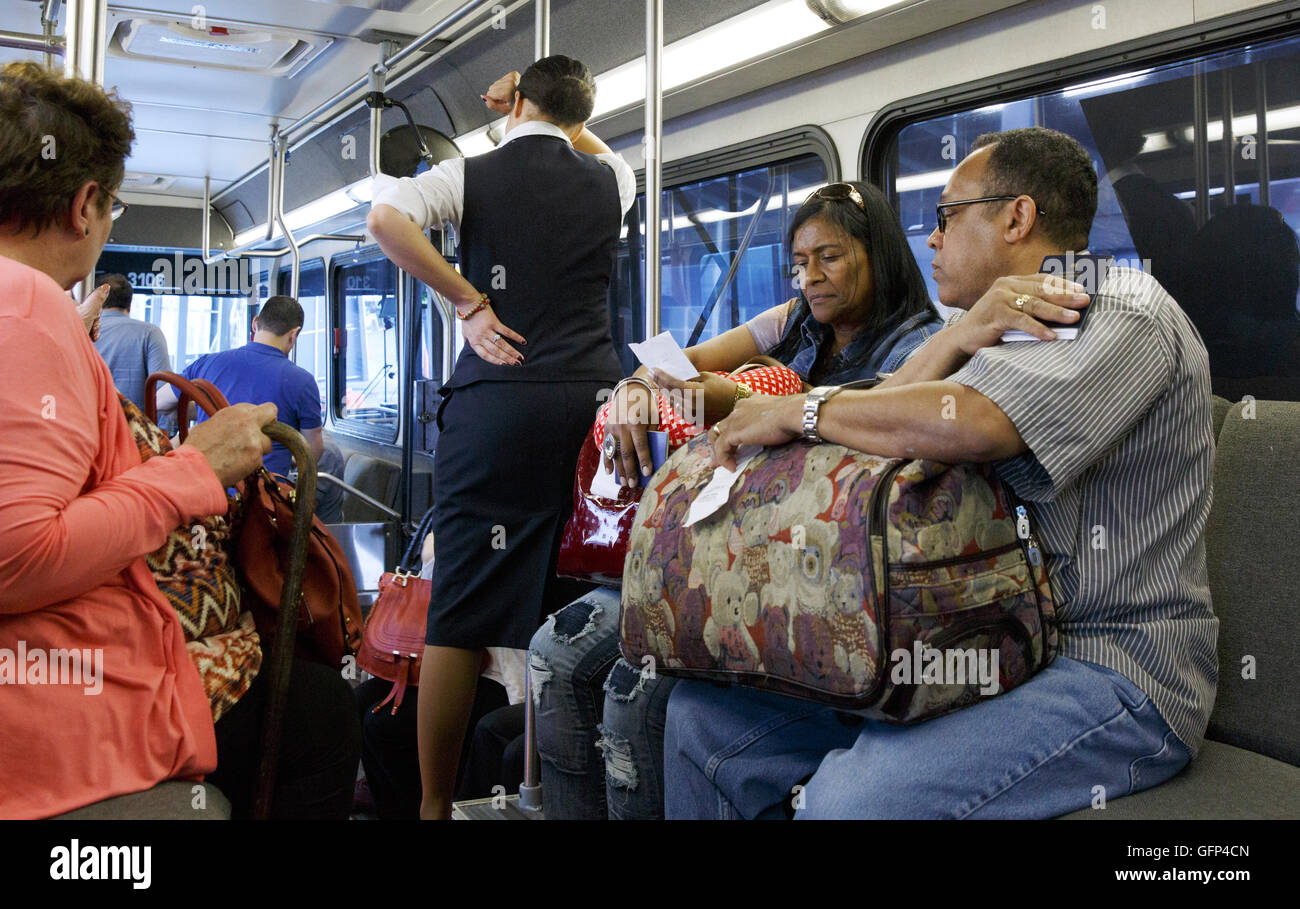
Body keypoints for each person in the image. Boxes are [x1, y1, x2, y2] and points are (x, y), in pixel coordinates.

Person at [667, 126, 1218, 819]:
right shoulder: (993, 327)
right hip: (980, 635)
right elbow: (878, 423)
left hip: (1108, 663)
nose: (930, 239)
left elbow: (978, 422)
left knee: (847, 802)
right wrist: (956, 334)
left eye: (946, 216)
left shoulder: (1115, 306)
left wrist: (802, 411)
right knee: (702, 722)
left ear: (1016, 216)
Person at [530, 180, 942, 819]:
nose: (811, 278)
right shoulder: (792, 320)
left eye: (829, 258)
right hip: (726, 540)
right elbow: (676, 365)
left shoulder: (919, 351)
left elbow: (850, 434)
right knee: (553, 652)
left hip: (812, 572)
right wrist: (635, 391)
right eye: (800, 264)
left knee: (632, 687)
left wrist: (733, 403)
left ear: (878, 253)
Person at [0, 61, 276, 818]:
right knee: (314, 710)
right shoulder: (24, 303)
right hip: (49, 695)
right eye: (113, 205)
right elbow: (19, 555)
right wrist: (196, 465)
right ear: (85, 205)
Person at [367, 56, 637, 819]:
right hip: (590, 408)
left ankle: (431, 805)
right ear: (581, 118)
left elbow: (385, 219)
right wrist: (544, 109)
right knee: (569, 596)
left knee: (462, 602)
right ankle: (549, 792)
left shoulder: (469, 174)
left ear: (514, 100)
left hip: (496, 405)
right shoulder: (614, 177)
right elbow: (583, 141)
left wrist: (468, 302)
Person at [157, 294, 324, 473]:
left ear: (255, 323)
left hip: (205, 486)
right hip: (261, 493)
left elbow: (160, 402)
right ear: (294, 334)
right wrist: (287, 463)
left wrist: (202, 411)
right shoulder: (303, 382)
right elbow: (313, 450)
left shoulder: (208, 362)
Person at [91, 272, 171, 410]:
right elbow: (162, 393)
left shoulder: (81, 332)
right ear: (129, 305)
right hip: (135, 428)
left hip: (90, 424)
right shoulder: (150, 333)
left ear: (95, 301)